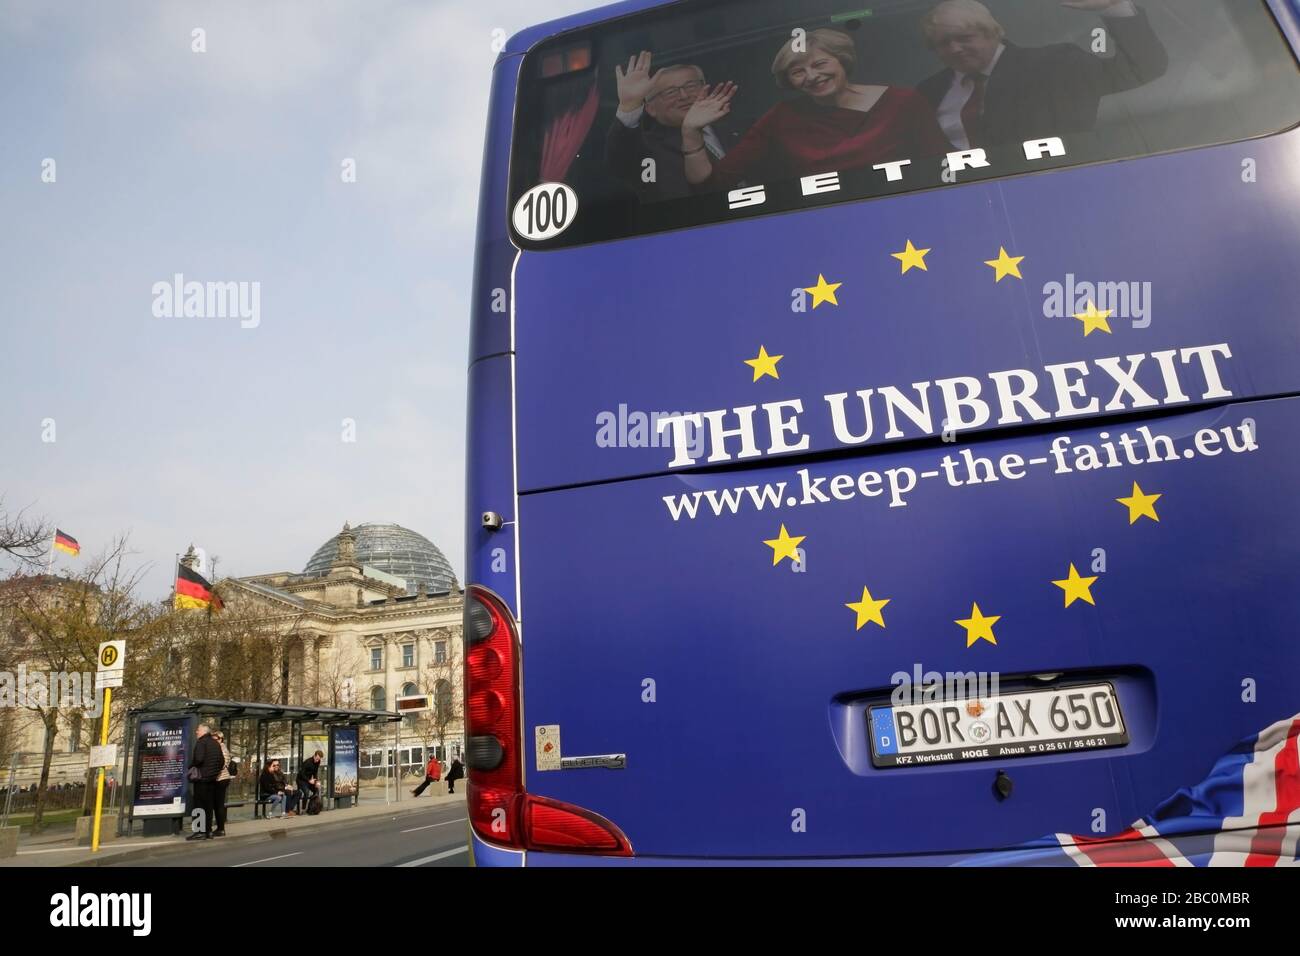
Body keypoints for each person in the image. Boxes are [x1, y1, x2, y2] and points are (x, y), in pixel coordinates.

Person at [682, 29, 947, 191]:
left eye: (820, 63)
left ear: (842, 61)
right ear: (790, 81)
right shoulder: (781, 117)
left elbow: (941, 162)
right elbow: (714, 184)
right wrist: (690, 130)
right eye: (798, 71)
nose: (811, 76)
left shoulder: (903, 101)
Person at [916, 0, 1168, 150]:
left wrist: (1116, 7)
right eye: (943, 43)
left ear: (993, 32)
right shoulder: (927, 93)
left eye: (964, 38)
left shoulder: (1056, 63)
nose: (955, 49)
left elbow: (1144, 68)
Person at [605, 52, 732, 201]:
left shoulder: (742, 127)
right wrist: (629, 105)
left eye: (691, 86)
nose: (684, 96)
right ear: (651, 108)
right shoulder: (647, 149)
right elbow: (620, 158)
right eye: (670, 92)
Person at [187, 723, 223, 841]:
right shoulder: (215, 743)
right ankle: (208, 831)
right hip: (212, 779)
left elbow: (199, 759)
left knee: (199, 806)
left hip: (201, 778)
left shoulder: (201, 742)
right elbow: (221, 761)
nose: (196, 732)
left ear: (203, 731)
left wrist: (191, 766)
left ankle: (199, 831)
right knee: (208, 806)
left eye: (198, 730)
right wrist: (214, 773)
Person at [212, 730, 233, 837]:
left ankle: (221, 828)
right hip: (220, 779)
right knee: (217, 804)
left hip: (221, 779)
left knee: (218, 804)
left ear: (221, 739)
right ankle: (219, 828)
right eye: (213, 739)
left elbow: (222, 764)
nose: (214, 741)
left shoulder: (222, 748)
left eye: (217, 739)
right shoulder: (219, 747)